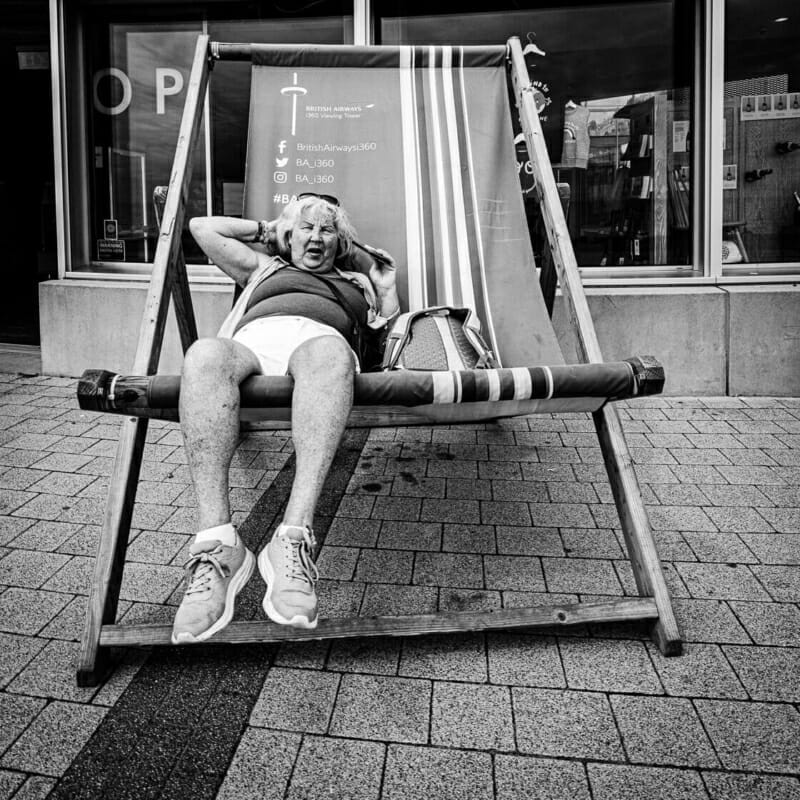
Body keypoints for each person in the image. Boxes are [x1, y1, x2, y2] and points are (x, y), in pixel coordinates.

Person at [171, 193, 400, 644]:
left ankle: (291, 539)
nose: (316, 237)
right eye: (306, 227)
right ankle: (219, 543)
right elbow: (201, 228)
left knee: (330, 352)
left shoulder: (357, 281)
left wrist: (386, 288)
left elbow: (391, 339)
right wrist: (269, 229)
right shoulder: (264, 267)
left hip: (321, 353)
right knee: (203, 354)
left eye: (327, 229)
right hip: (253, 349)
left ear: (340, 243)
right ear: (289, 236)